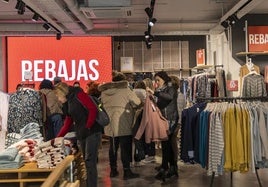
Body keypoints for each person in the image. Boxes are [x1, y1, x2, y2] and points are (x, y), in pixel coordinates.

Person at [54, 82, 102, 187]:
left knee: (90, 162)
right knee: (87, 161)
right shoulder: (68, 102)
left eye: (57, 95)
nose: (58, 99)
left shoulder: (79, 94)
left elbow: (92, 109)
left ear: (62, 93)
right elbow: (68, 121)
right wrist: (58, 137)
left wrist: (88, 126)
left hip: (92, 132)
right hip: (82, 133)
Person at [98, 72, 142, 180]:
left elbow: (101, 106)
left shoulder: (104, 92)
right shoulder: (126, 90)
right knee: (125, 147)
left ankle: (113, 170)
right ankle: (126, 171)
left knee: (112, 147)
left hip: (109, 124)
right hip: (124, 122)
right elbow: (137, 102)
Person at [146, 71, 179, 181]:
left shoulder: (170, 87)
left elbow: (169, 97)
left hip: (171, 119)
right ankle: (168, 167)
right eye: (155, 80)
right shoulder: (162, 89)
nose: (156, 82)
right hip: (165, 120)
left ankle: (169, 167)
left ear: (164, 79)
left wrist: (154, 93)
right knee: (166, 144)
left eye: (158, 80)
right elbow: (162, 103)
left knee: (167, 144)